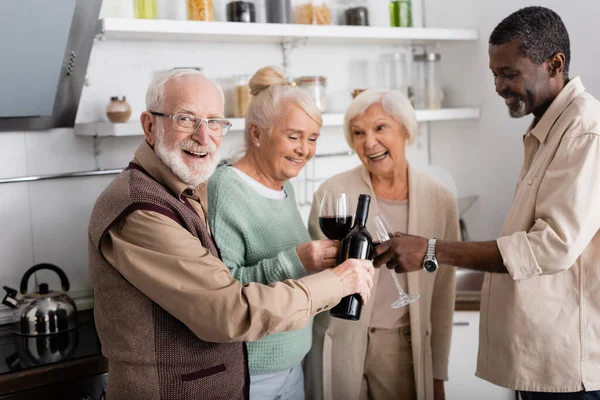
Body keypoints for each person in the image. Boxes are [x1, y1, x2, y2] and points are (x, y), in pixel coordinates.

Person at [87, 68, 375, 400]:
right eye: (186, 119)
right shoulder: (140, 209)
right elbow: (230, 310)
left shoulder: (185, 190)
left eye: (214, 122)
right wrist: (338, 283)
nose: (203, 136)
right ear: (150, 126)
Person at [373, 6, 600, 400]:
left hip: (569, 368)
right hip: (548, 362)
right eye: (494, 73)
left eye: (509, 73)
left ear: (554, 64)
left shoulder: (583, 131)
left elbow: (550, 247)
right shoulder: (549, 127)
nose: (498, 86)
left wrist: (429, 249)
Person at [305, 89, 459, 400]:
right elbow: (314, 276)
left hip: (402, 348)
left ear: (406, 129)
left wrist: (438, 371)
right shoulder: (333, 193)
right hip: (340, 339)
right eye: (358, 133)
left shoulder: (439, 198)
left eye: (380, 128)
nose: (368, 142)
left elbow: (443, 291)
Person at [207, 65, 338, 400]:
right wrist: (297, 260)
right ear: (257, 133)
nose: (304, 150)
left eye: (312, 139)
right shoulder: (226, 189)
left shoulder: (284, 187)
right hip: (253, 373)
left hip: (293, 364)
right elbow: (226, 291)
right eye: (293, 137)